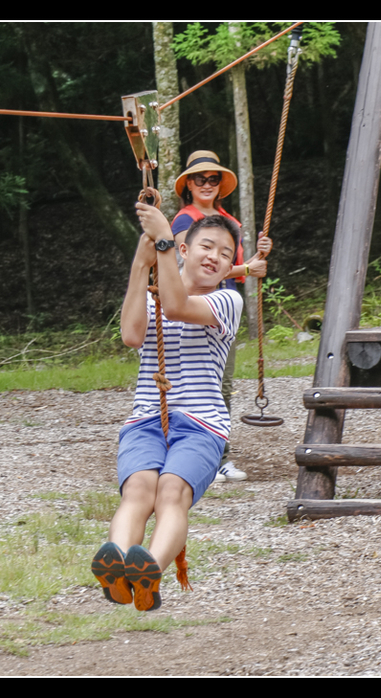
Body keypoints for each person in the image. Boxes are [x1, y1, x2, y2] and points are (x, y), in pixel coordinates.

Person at [91, 204, 244, 612]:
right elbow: (130, 334)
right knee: (138, 490)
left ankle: (149, 572)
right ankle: (117, 563)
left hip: (200, 426)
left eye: (226, 254)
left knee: (171, 493)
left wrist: (160, 243)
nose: (214, 257)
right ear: (185, 250)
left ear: (230, 267)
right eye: (206, 246)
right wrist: (141, 266)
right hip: (145, 421)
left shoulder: (227, 302)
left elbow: (179, 306)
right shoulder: (155, 300)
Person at [170, 150, 272, 483]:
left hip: (222, 310)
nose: (207, 184)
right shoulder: (185, 220)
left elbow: (236, 273)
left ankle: (218, 457)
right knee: (191, 384)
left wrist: (257, 257)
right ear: (189, 184)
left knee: (221, 386)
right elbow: (192, 267)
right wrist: (246, 267)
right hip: (191, 309)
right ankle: (189, 457)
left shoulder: (230, 223)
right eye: (200, 179)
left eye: (213, 179)